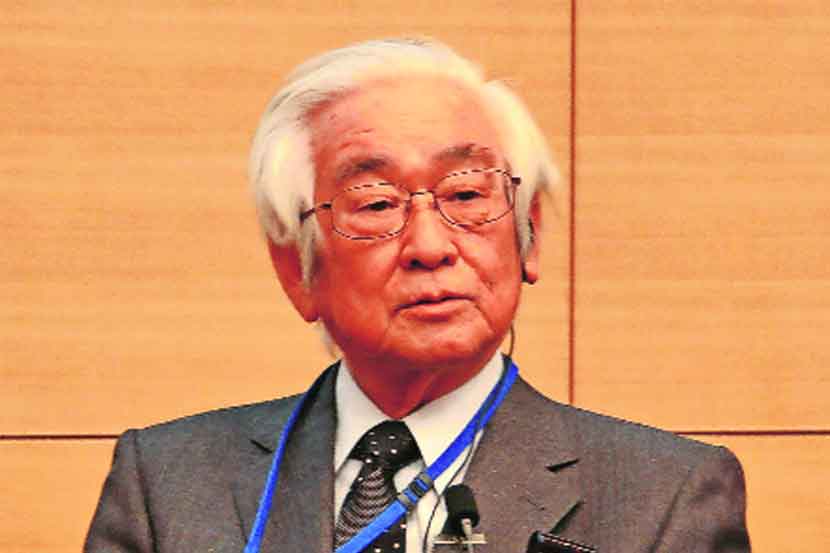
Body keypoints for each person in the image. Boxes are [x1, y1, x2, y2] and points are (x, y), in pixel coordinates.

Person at [85, 38, 751, 553]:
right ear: (296, 269)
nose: (430, 244)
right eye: (376, 203)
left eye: (466, 194)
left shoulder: (664, 498)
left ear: (528, 237)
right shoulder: (167, 484)